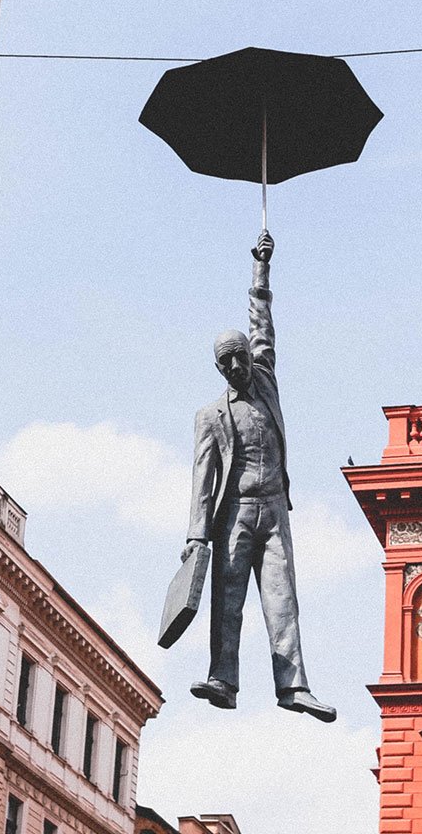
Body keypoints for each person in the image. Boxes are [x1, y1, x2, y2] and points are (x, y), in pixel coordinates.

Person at [185, 231, 335, 722]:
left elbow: (262, 321)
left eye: (239, 356)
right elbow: (201, 480)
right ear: (216, 367)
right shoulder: (211, 416)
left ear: (250, 355)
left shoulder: (265, 377)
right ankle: (224, 680)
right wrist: (195, 535)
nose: (234, 365)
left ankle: (293, 687)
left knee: (282, 600)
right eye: (224, 361)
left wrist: (260, 270)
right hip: (233, 516)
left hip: (273, 510)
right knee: (227, 603)